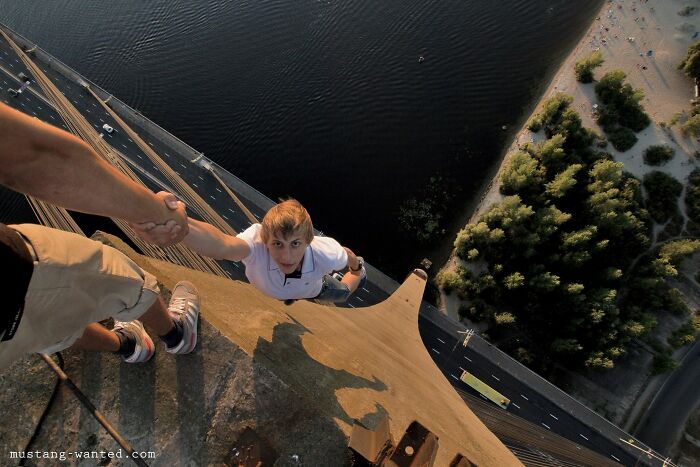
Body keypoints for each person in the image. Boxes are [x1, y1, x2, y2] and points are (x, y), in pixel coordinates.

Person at [0, 102, 199, 370]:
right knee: (121, 280)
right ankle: (177, 334)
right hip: (12, 272)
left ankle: (128, 345)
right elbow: (31, 156)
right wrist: (158, 214)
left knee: (46, 330)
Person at [135, 198, 366, 303]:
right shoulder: (256, 244)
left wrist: (355, 267)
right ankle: (289, 297)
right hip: (288, 291)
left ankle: (360, 275)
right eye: (277, 244)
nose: (286, 257)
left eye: (295, 244)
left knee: (343, 294)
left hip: (315, 289)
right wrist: (182, 228)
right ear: (265, 240)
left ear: (308, 240)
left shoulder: (324, 251)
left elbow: (345, 254)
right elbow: (223, 245)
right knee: (289, 295)